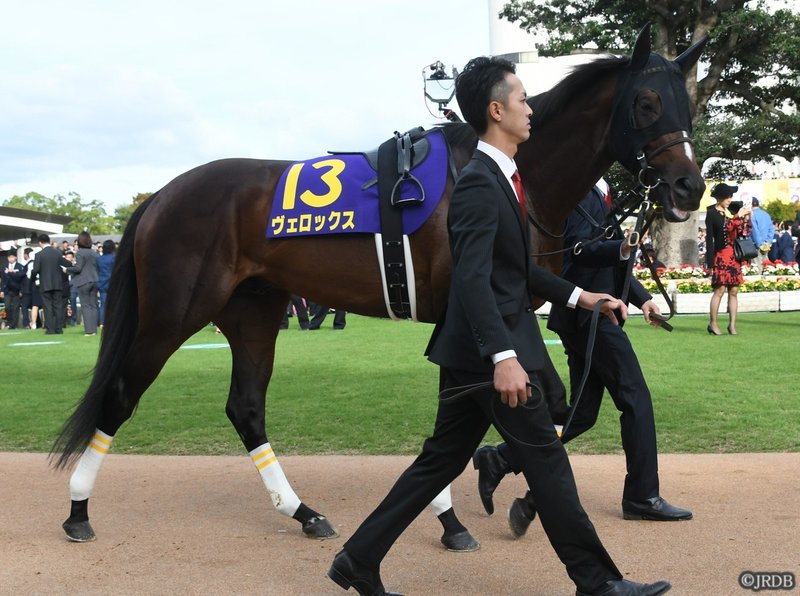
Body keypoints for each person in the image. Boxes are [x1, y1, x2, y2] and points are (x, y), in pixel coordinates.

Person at [327, 56, 670, 596]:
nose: (531, 109)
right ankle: (598, 582)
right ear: (496, 110)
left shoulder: (502, 177)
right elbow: (470, 278)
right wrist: (502, 357)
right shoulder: (478, 185)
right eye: (522, 99)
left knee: (438, 462)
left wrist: (584, 296)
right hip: (493, 357)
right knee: (549, 466)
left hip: (471, 355)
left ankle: (356, 559)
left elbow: (517, 269)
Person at [473, 183, 692, 537]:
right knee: (636, 398)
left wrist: (643, 298)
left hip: (592, 318)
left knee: (582, 415)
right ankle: (642, 496)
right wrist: (621, 246)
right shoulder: (576, 191)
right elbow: (578, 255)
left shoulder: (600, 192)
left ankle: (501, 458)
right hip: (590, 319)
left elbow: (612, 264)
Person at [705, 183, 751, 336]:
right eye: (727, 197)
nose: (730, 200)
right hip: (721, 255)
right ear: (720, 198)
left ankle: (732, 325)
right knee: (719, 290)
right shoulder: (711, 213)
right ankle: (713, 323)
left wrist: (744, 219)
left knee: (734, 291)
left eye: (731, 197)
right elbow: (709, 239)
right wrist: (710, 262)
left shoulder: (731, 212)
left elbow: (741, 232)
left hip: (734, 256)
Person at [31, 234, 72, 334]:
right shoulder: (57, 253)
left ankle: (50, 329)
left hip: (45, 284)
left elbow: (35, 270)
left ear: (40, 242)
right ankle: (59, 328)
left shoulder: (39, 255)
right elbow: (67, 264)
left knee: (47, 306)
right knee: (58, 306)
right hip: (58, 284)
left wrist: (32, 279)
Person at [66, 231, 100, 336]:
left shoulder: (80, 253)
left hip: (83, 281)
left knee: (85, 305)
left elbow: (78, 268)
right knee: (93, 305)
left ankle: (89, 330)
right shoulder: (95, 253)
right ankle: (93, 329)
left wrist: (67, 269)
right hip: (95, 280)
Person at [747, 198, 773, 274]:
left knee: (757, 269)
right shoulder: (766, 214)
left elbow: (755, 231)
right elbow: (771, 229)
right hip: (766, 245)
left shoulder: (752, 215)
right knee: (766, 268)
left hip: (756, 246)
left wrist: (760, 244)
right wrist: (768, 242)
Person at [2, 250, 25, 329]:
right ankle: (9, 322)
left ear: (15, 257)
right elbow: (3, 279)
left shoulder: (20, 266)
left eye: (12, 257)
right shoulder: (4, 266)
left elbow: (22, 280)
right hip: (7, 290)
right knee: (7, 307)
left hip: (17, 290)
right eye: (9, 257)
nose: (10, 259)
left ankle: (13, 325)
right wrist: (1, 290)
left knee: (16, 308)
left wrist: (21, 290)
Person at [96, 240, 116, 327]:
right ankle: (113, 321)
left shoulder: (99, 259)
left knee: (103, 304)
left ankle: (102, 322)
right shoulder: (114, 258)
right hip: (112, 282)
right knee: (114, 304)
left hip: (102, 282)